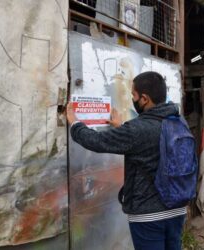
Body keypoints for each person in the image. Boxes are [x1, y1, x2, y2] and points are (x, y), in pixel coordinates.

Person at [66, 71, 186, 250]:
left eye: (133, 95)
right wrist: (122, 128)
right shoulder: (179, 122)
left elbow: (97, 141)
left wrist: (75, 123)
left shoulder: (137, 129)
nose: (132, 99)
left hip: (148, 215)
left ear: (144, 99)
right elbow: (150, 144)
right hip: (178, 209)